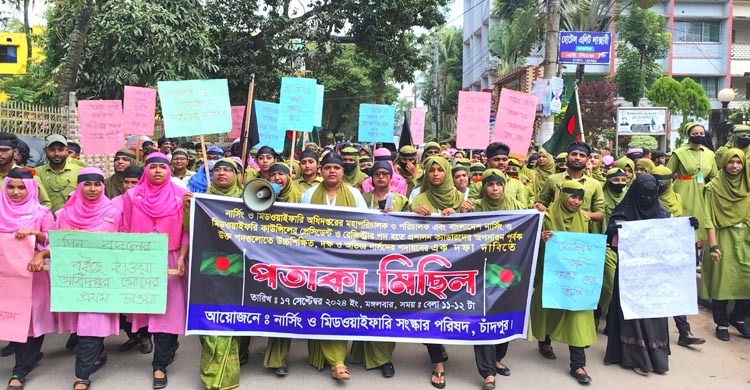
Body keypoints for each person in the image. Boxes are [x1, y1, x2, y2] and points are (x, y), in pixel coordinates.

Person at [122, 153, 188, 389]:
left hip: (170, 258)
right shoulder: (131, 195)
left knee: (168, 313)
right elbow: (126, 228)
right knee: (149, 309)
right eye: (153, 167)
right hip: (142, 257)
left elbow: (186, 230)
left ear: (169, 170)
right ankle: (167, 349)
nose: (158, 171)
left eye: (162, 167)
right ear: (145, 170)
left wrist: (181, 258)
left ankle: (159, 365)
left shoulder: (182, 196)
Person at [53, 168, 122, 390]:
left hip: (102, 281)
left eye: (97, 184)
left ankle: (81, 376)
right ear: (79, 186)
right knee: (81, 326)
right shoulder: (64, 215)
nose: (92, 189)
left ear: (103, 186)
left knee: (91, 325)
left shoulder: (114, 213)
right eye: (87, 184)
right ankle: (98, 353)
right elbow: (54, 245)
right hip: (74, 281)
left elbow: (125, 243)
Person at [301, 153, 367, 380]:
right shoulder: (309, 195)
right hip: (316, 261)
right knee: (320, 307)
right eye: (327, 167)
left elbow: (365, 227)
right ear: (320, 171)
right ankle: (322, 357)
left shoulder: (355, 195)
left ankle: (337, 361)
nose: (331, 171)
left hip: (345, 263)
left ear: (342, 171)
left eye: (336, 168)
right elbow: (302, 225)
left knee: (339, 307)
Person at [604, 174, 674, 376]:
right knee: (631, 315)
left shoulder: (662, 213)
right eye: (642, 195)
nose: (647, 199)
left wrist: (688, 226)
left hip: (653, 274)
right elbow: (611, 236)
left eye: (651, 195)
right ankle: (635, 357)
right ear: (635, 193)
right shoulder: (623, 212)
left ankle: (657, 356)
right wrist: (615, 230)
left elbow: (671, 238)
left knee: (653, 316)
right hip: (630, 273)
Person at [460, 169, 521, 390]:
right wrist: (460, 212)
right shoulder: (474, 207)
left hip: (508, 269)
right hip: (480, 271)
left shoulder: (516, 206)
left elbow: (528, 229)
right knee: (484, 316)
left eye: (499, 184)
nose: (495, 189)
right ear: (483, 187)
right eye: (490, 185)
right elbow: (460, 234)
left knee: (504, 315)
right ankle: (487, 372)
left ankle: (497, 357)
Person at [532, 180, 595, 385]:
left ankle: (577, 364)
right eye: (572, 197)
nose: (576, 202)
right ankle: (545, 341)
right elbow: (530, 248)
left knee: (577, 316)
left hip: (575, 279)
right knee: (550, 310)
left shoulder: (584, 220)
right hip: (550, 275)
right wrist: (541, 240)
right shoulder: (545, 217)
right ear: (562, 196)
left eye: (580, 198)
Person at [410, 156, 464, 388]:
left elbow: (475, 228)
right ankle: (437, 365)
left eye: (439, 170)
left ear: (447, 173)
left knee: (448, 311)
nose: (435, 175)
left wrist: (459, 215)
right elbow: (402, 229)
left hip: (457, 266)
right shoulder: (417, 198)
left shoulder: (462, 198)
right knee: (430, 311)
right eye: (431, 170)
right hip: (426, 266)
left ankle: (441, 344)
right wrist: (414, 215)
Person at [1, 168, 55, 390]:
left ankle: (20, 370)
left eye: (21, 187)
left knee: (30, 322)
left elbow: (54, 244)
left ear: (32, 188)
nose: (16, 192)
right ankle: (28, 357)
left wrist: (38, 239)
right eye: (11, 187)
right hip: (5, 279)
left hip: (33, 278)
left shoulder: (42, 213)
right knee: (10, 317)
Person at [194, 158, 243, 390]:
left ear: (237, 175)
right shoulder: (201, 199)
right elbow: (188, 229)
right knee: (210, 318)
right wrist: (188, 208)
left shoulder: (248, 199)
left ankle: (223, 373)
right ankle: (212, 367)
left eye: (227, 170)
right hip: (206, 265)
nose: (222, 173)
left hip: (238, 265)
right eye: (217, 170)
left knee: (227, 318)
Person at [701, 148, 750, 341]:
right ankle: (721, 322)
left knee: (746, 280)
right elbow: (708, 217)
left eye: (739, 162)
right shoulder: (713, 187)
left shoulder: (747, 186)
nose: (735, 166)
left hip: (745, 238)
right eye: (731, 162)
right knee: (722, 282)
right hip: (721, 237)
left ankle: (738, 318)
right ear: (724, 163)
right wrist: (713, 246)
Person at [535, 141, 605, 233]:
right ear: (566, 158)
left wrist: (580, 214)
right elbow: (540, 204)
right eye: (574, 154)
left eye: (582, 155)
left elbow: (600, 215)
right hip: (554, 233)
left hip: (580, 234)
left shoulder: (594, 184)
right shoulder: (553, 179)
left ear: (587, 160)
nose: (577, 158)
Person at [667, 122, 719, 242]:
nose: (699, 135)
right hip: (682, 189)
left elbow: (714, 176)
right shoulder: (679, 153)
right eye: (695, 133)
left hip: (703, 190)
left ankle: (701, 249)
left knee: (703, 218)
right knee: (684, 218)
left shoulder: (710, 154)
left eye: (701, 133)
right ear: (688, 135)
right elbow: (667, 173)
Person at [0, 132, 51, 208]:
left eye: (4, 150)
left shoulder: (28, 176)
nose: (0, 153)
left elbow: (45, 204)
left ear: (15, 152)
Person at [36, 134, 82, 213]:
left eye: (61, 150)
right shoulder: (36, 173)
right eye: (52, 150)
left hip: (71, 221)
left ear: (67, 151)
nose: (56, 153)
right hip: (45, 221)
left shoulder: (80, 172)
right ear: (45, 151)